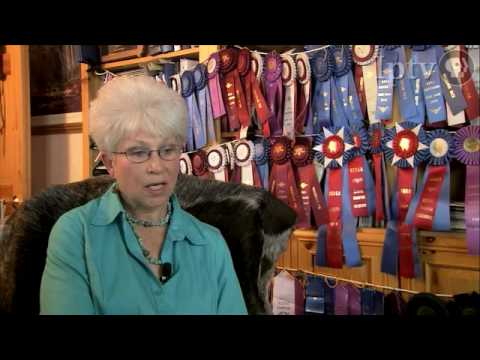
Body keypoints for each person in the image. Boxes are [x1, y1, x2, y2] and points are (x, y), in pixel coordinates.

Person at [40, 75, 248, 315]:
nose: (157, 166)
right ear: (109, 162)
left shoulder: (211, 243)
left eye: (168, 150)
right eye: (139, 153)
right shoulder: (75, 234)